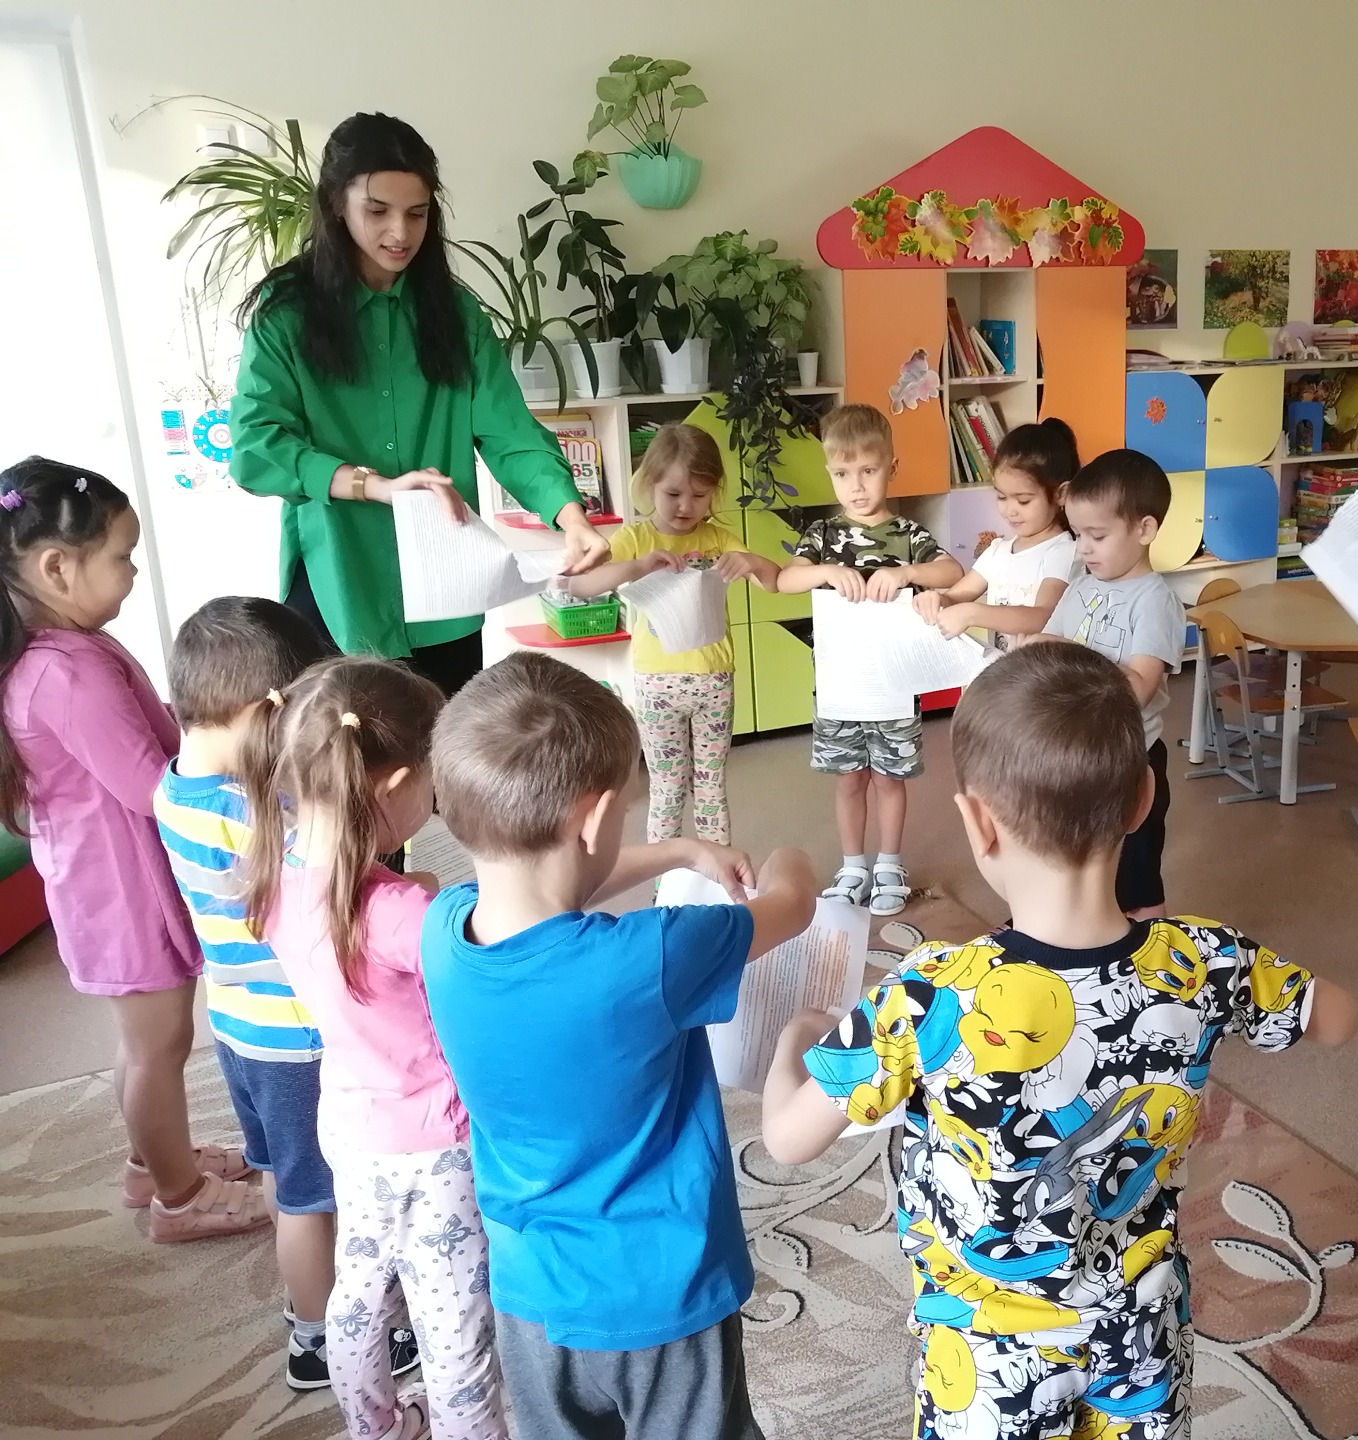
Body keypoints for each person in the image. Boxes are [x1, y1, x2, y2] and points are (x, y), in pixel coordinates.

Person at [761, 643, 1358, 1440]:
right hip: (1138, 1328)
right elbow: (1339, 1017)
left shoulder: (931, 993)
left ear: (976, 820)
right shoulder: (1206, 958)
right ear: (1144, 798)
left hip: (987, 1353)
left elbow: (788, 1140)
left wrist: (796, 1039)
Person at [419, 651, 816, 1440]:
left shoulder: (442, 927)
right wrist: (789, 859)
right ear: (597, 819)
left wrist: (679, 851)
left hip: (530, 1292)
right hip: (659, 1294)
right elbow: (795, 903)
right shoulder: (656, 954)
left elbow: (547, 883)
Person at [229, 111, 610, 698]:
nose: (400, 233)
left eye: (417, 213)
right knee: (342, 752)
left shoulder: (456, 315)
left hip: (445, 587)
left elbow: (509, 432)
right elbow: (256, 448)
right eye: (377, 211)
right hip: (339, 585)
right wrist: (372, 485)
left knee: (445, 747)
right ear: (335, 205)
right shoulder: (287, 314)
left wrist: (570, 516)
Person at [0, 457, 268, 1242]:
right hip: (119, 893)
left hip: (105, 884)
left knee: (144, 1042)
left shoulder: (66, 650)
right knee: (159, 1045)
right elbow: (151, 785)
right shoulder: (64, 673)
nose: (133, 571)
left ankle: (152, 1163)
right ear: (58, 567)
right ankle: (179, 1200)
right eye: (121, 556)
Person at [154, 596, 419, 1389]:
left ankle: (310, 1305)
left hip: (238, 1026)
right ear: (262, 712)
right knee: (313, 1198)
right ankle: (318, 1337)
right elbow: (332, 903)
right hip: (298, 1038)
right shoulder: (262, 813)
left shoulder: (172, 789)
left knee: (281, 1177)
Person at [242, 656, 503, 1440]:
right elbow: (485, 962)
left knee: (360, 1292)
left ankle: (375, 1427)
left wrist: (409, 893)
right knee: (456, 1329)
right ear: (394, 786)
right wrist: (427, 902)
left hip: (352, 1126)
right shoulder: (396, 915)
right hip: (436, 1143)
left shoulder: (276, 871)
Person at [776, 403, 962, 915]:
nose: (856, 486)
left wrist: (906, 573)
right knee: (849, 779)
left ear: (891, 468)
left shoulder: (908, 535)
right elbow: (785, 580)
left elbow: (952, 572)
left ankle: (889, 865)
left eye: (868, 470)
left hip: (894, 686)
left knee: (889, 779)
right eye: (842, 474)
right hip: (841, 687)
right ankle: (853, 866)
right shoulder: (822, 536)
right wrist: (824, 572)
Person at [560, 424, 781, 843]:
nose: (685, 506)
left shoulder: (718, 538)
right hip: (657, 683)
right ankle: (667, 875)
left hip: (714, 680)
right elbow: (580, 585)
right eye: (673, 493)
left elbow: (772, 582)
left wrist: (751, 562)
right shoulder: (637, 537)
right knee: (667, 789)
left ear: (714, 492)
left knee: (711, 787)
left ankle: (715, 871)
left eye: (699, 495)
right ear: (649, 485)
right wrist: (638, 566)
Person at [1039, 449, 1187, 919]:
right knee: (1083, 853)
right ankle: (1089, 931)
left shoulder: (1155, 601)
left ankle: (1151, 941)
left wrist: (1073, 656)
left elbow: (1139, 686)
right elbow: (1053, 641)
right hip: (1080, 748)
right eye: (1078, 534)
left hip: (1131, 756)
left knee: (1136, 869)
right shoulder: (1082, 586)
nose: (1083, 548)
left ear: (1144, 529)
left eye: (1097, 536)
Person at [913, 418, 1079, 652]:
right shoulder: (998, 551)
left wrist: (973, 613)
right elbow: (957, 597)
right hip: (1004, 668)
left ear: (1060, 494)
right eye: (1002, 497)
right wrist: (937, 600)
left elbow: (1043, 617)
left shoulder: (1064, 552)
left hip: (1041, 672)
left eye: (1023, 500)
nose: (1010, 510)